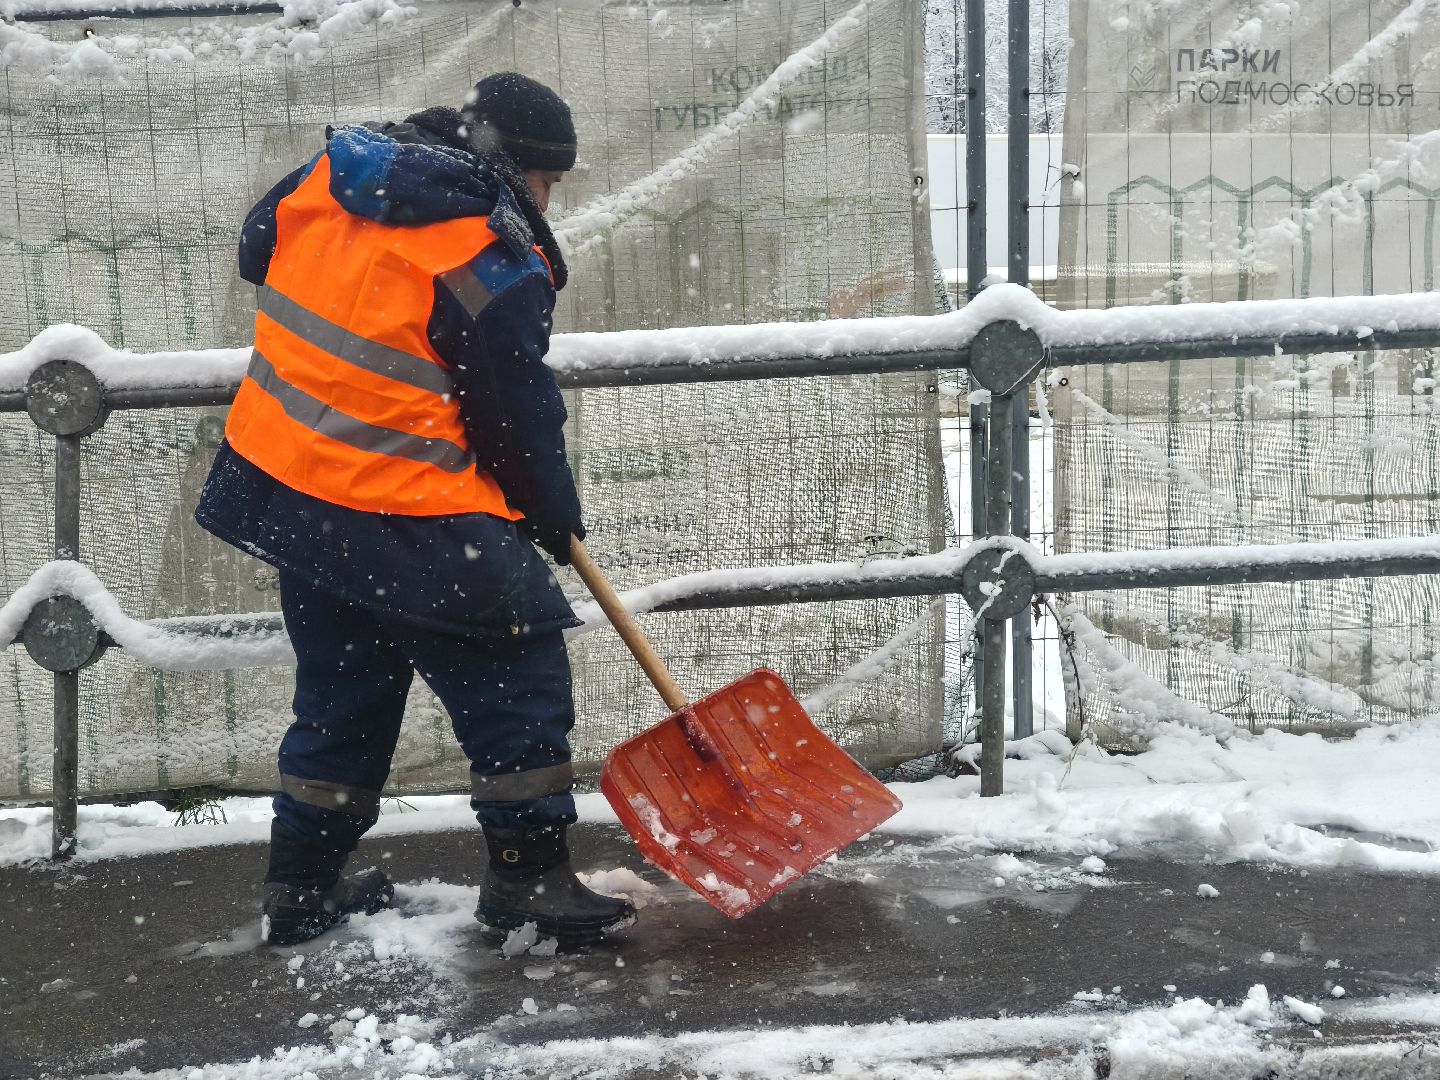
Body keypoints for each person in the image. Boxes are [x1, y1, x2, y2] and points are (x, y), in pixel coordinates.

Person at [195, 72, 636, 948]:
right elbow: (514, 408)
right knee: (518, 671)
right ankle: (527, 879)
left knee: (342, 694)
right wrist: (551, 512)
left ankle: (302, 887)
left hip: (295, 492)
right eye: (547, 182)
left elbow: (257, 246)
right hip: (408, 508)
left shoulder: (334, 172)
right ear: (513, 165)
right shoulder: (487, 255)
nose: (548, 200)